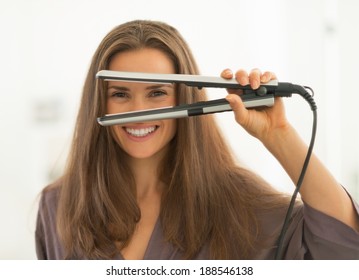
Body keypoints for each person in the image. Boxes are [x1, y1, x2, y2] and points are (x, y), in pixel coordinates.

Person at [35, 20, 359, 260]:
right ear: (98, 103)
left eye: (157, 93)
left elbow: (343, 246)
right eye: (120, 94)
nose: (138, 112)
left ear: (187, 97)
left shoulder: (237, 203)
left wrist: (280, 136)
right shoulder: (58, 204)